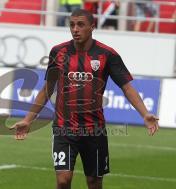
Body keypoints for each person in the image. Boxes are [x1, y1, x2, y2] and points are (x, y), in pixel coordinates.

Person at [11, 9, 159, 189]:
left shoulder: (107, 54)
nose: (75, 29)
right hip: (64, 129)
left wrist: (144, 114)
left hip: (94, 131)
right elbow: (48, 88)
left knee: (94, 183)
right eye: (72, 25)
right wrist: (28, 119)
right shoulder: (58, 52)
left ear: (92, 27)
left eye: (80, 24)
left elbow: (126, 87)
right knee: (63, 181)